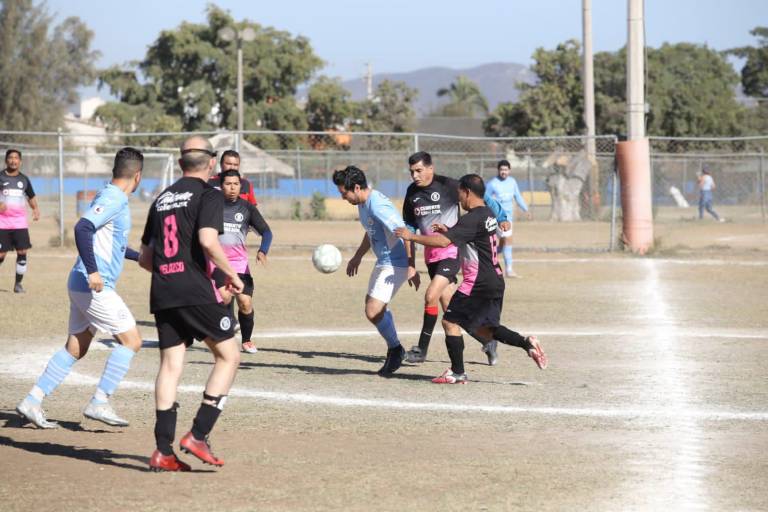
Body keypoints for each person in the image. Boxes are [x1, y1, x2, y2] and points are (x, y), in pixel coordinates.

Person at [16, 148, 146, 428]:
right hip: (93, 285)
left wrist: (140, 258)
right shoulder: (114, 198)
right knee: (132, 340)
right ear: (138, 176)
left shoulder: (109, 195)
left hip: (81, 284)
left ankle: (32, 400)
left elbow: (109, 242)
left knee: (76, 347)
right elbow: (82, 228)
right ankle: (100, 402)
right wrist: (94, 271)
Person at [139, 136, 245, 472]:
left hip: (163, 291)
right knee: (229, 356)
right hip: (194, 290)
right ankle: (198, 434)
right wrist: (232, 275)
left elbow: (145, 258)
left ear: (180, 162)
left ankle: (162, 451)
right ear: (212, 163)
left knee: (171, 365)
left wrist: (171, 272)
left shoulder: (161, 199)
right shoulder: (208, 194)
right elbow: (208, 241)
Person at [395, 174, 548, 384]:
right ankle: (527, 343)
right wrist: (450, 230)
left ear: (467, 192)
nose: (458, 198)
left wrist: (411, 236)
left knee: (449, 321)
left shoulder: (471, 218)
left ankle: (457, 372)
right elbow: (472, 236)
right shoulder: (487, 214)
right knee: (486, 329)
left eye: (459, 193)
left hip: (477, 282)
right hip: (495, 280)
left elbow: (442, 243)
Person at [402, 151, 510, 366]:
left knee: (431, 295)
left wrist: (501, 217)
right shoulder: (412, 193)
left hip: (450, 251)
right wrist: (411, 265)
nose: (415, 175)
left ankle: (421, 350)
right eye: (412, 171)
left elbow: (483, 199)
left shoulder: (449, 185)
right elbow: (409, 229)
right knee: (451, 310)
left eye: (419, 170)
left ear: (431, 168)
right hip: (431, 255)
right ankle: (487, 341)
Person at [332, 165, 416, 377]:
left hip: (396, 262)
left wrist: (411, 265)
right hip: (384, 260)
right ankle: (395, 348)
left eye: (344, 193)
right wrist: (358, 256)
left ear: (356, 187)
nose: (343, 197)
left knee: (373, 310)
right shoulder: (363, 203)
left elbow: (405, 232)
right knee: (373, 307)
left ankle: (395, 350)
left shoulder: (377, 205)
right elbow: (371, 231)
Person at [212, 169, 273, 354]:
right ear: (221, 186)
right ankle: (221, 338)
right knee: (224, 297)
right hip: (216, 262)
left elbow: (267, 232)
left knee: (245, 303)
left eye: (236, 184)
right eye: (228, 184)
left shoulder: (247, 208)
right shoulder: (211, 206)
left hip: (239, 264)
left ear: (240, 186)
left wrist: (263, 250)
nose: (232, 188)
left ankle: (246, 340)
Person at [0, 149, 41, 293]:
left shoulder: (24, 179)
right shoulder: (0, 177)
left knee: (22, 252)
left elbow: (31, 196)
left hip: (19, 223)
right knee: (1, 254)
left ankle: (18, 284)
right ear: (6, 160)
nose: (13, 160)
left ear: (20, 161)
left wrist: (35, 209)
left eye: (16, 158)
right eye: (10, 158)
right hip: (2, 222)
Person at [485, 159, 531, 278]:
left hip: (509, 218)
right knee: (508, 240)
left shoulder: (512, 182)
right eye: (501, 170)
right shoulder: (493, 183)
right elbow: (485, 198)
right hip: (498, 218)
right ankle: (509, 270)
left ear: (509, 170)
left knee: (502, 244)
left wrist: (525, 209)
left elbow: (517, 196)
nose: (503, 172)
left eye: (506, 170)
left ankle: (483, 259)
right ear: (498, 170)